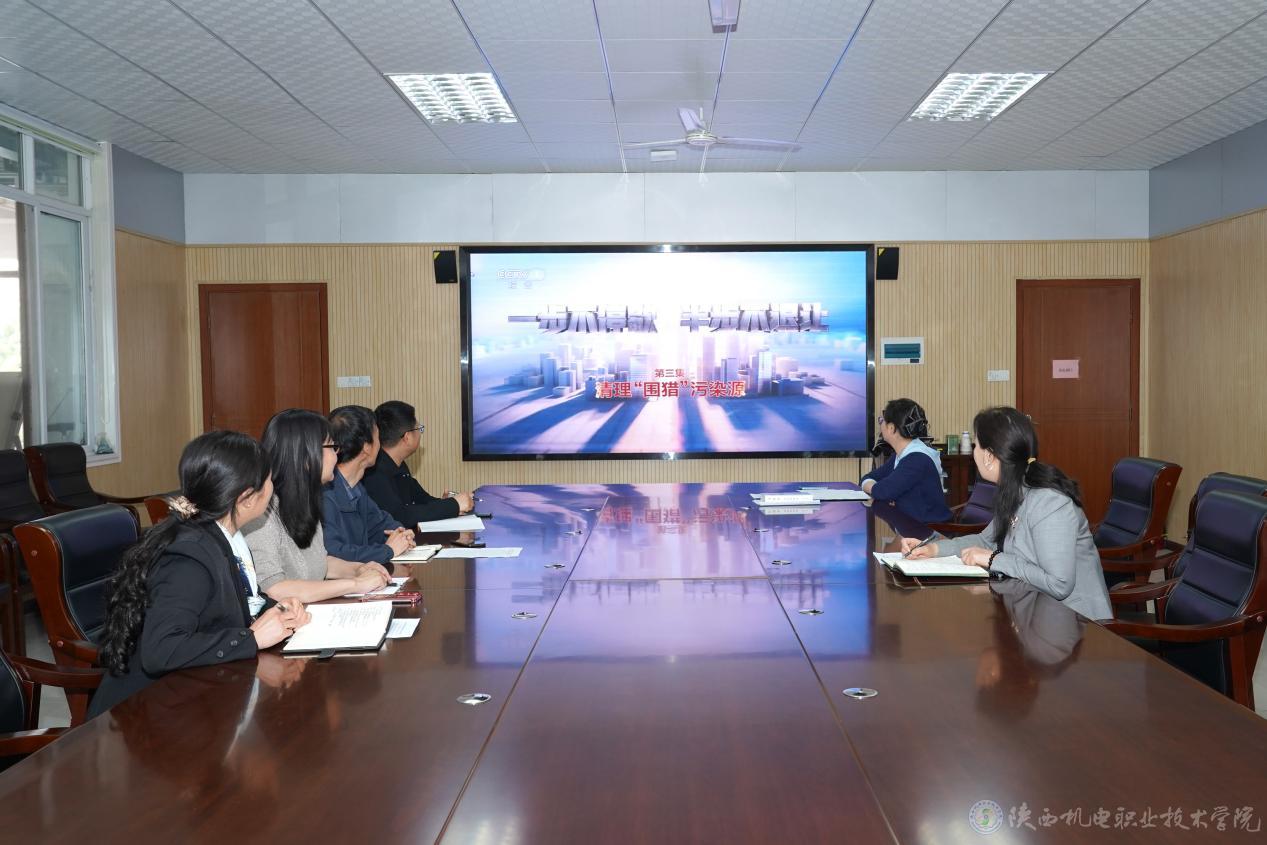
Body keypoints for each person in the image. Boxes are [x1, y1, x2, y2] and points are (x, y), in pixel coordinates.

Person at [91, 431, 312, 716]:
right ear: (246, 498)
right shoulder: (189, 558)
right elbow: (162, 650)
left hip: (190, 695)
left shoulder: (221, 535)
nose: (273, 486)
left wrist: (278, 609)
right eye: (269, 479)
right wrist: (251, 639)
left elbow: (229, 604)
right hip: (143, 715)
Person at [902, 406, 1112, 621]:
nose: (974, 452)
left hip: (1078, 624)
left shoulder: (1049, 502)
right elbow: (985, 541)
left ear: (989, 456)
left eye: (976, 445)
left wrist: (995, 559)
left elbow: (1059, 584)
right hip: (1034, 611)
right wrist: (934, 549)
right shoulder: (1014, 490)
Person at [245, 409, 392, 602]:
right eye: (332, 447)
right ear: (307, 455)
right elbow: (274, 588)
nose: (337, 455)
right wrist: (355, 584)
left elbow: (320, 563)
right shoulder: (262, 512)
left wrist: (358, 569)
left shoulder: (305, 500)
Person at [323, 405, 415, 563]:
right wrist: (388, 550)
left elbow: (381, 525)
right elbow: (333, 554)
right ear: (366, 447)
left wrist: (401, 535)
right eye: (378, 437)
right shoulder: (325, 494)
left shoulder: (356, 488)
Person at [363, 400, 474, 526]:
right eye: (419, 429)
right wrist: (453, 505)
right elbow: (399, 516)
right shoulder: (374, 472)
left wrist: (447, 504)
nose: (420, 434)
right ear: (407, 437)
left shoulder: (398, 465)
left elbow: (423, 500)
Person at [860, 398, 952, 524]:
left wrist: (876, 489)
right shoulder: (901, 455)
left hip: (930, 529)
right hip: (909, 524)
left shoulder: (917, 459)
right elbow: (868, 478)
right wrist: (876, 488)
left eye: (881, 420)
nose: (880, 425)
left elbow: (884, 491)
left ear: (891, 428)